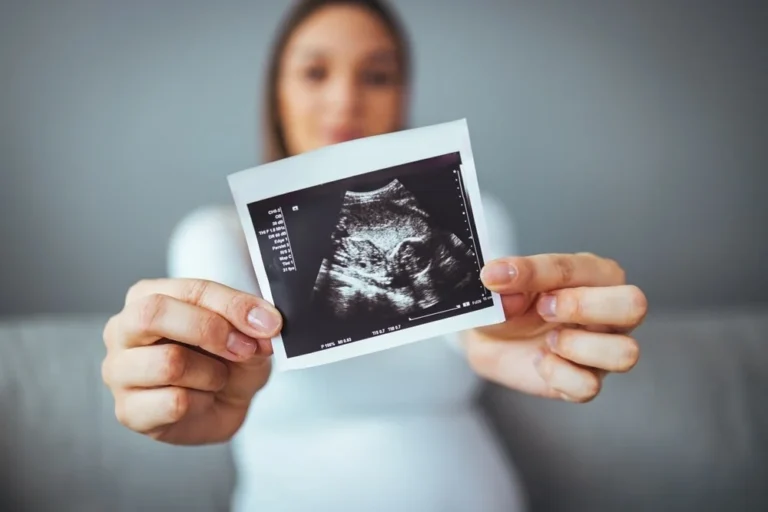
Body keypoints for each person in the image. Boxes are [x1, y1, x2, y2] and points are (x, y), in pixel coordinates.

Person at [101, 1, 648, 510]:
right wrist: (178, 387)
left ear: (403, 96)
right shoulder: (215, 238)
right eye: (315, 72)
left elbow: (483, 333)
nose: (346, 100)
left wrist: (531, 333)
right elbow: (211, 374)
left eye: (377, 76)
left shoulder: (477, 215)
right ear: (276, 94)